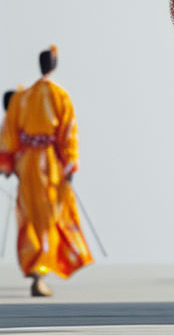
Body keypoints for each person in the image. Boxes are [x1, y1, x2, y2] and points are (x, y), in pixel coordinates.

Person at [0, 47, 93, 296]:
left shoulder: (22, 98)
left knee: (30, 215)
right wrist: (69, 164)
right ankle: (39, 270)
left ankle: (35, 267)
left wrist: (8, 163)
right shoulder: (59, 96)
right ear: (54, 64)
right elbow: (68, 133)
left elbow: (9, 132)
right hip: (49, 166)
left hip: (28, 165)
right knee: (45, 217)